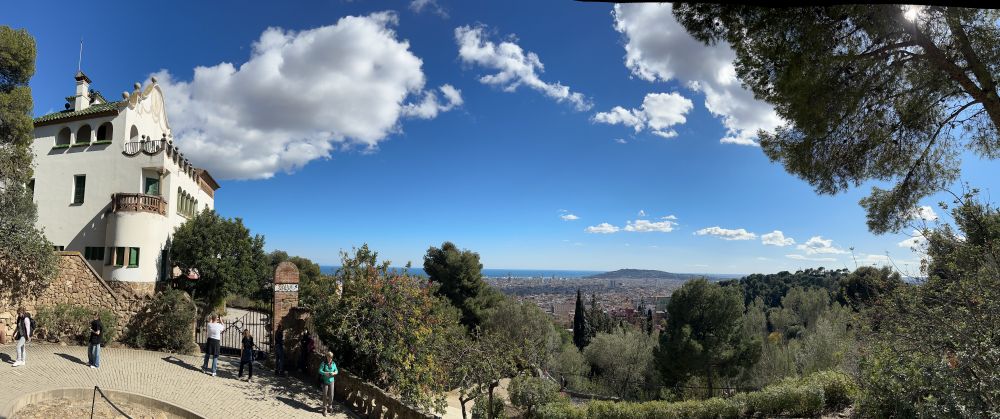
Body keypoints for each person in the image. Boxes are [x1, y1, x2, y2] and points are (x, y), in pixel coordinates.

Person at [318, 351, 338, 417]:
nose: (330, 358)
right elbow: (319, 370)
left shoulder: (333, 363)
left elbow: (337, 371)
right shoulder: (323, 363)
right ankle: (324, 409)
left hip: (332, 381)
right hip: (325, 381)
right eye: (328, 357)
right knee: (325, 395)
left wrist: (334, 373)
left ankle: (330, 406)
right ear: (326, 357)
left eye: (331, 357)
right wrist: (325, 373)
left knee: (331, 395)